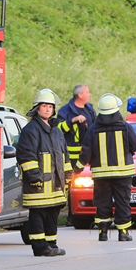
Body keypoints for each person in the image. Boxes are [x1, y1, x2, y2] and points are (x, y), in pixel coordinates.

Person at [76, 93, 136, 241]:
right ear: (116, 109)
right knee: (122, 202)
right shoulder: (125, 127)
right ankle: (123, 233)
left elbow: (86, 151)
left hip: (101, 175)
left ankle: (103, 233)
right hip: (123, 174)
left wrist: (77, 169)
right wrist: (128, 151)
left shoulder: (93, 129)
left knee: (102, 203)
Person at [17, 88, 72, 257]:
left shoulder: (56, 130)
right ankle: (40, 247)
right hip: (39, 185)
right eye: (44, 106)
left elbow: (64, 155)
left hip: (55, 186)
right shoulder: (31, 130)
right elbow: (26, 155)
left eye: (50, 106)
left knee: (52, 214)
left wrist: (68, 175)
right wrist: (34, 176)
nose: (48, 109)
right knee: (38, 215)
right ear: (37, 108)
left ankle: (51, 244)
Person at [56, 83, 96, 226]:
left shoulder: (90, 109)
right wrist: (71, 121)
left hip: (89, 155)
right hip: (72, 157)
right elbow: (58, 129)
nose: (89, 95)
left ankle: (93, 213)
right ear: (80, 95)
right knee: (72, 186)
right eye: (87, 92)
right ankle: (71, 216)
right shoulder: (66, 111)